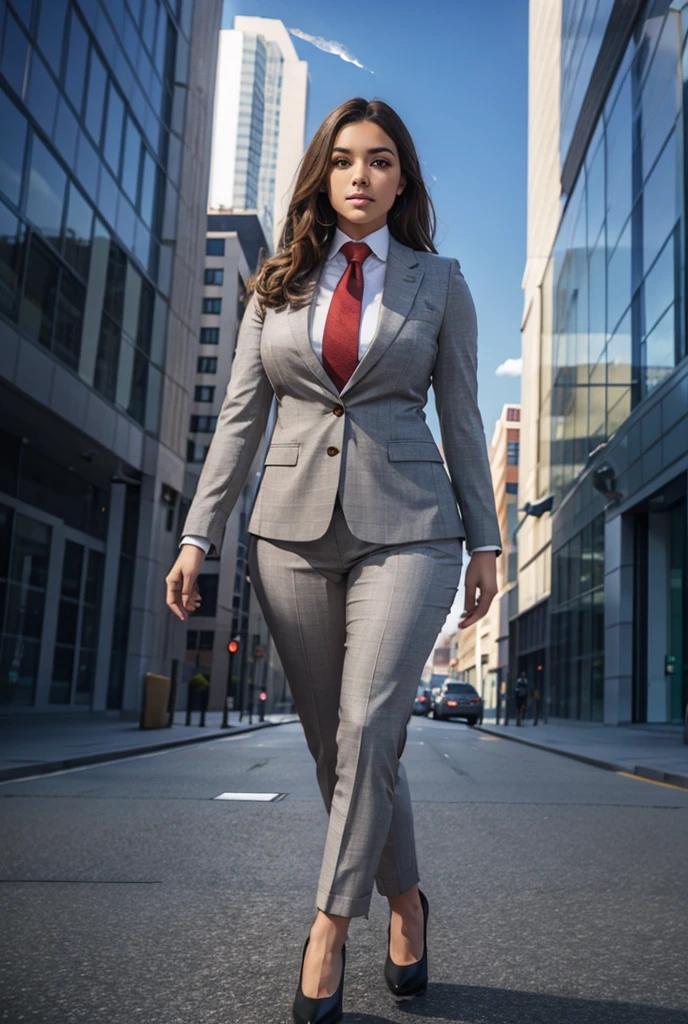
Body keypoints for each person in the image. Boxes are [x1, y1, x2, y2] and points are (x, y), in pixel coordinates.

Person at [165, 97, 502, 1023]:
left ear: (403, 179)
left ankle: (327, 928)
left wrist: (485, 540)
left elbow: (464, 419)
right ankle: (406, 903)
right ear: (324, 174)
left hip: (412, 526)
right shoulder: (277, 283)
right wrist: (200, 533)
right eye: (346, 159)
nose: (362, 175)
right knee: (335, 744)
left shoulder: (441, 282)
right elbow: (240, 420)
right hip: (288, 534)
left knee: (367, 725)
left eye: (382, 160)